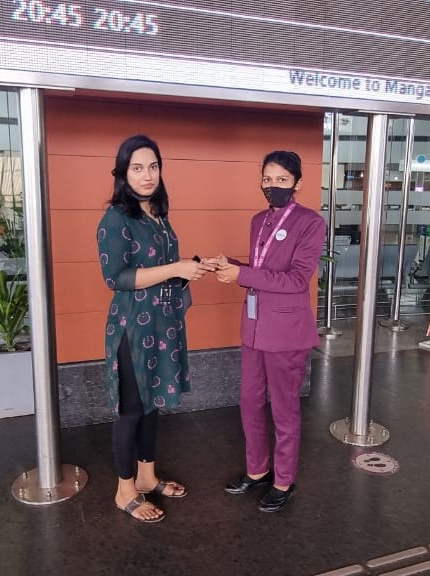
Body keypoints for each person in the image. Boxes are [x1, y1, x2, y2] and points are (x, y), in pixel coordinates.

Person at [96, 134, 214, 523]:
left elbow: (162, 270)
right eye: (137, 168)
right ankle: (124, 489)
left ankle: (147, 476)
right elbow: (116, 277)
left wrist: (191, 268)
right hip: (132, 327)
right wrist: (176, 268)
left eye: (153, 167)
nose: (147, 175)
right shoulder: (116, 218)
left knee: (152, 405)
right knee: (131, 409)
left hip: (162, 325)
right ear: (123, 173)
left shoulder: (157, 215)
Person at [212, 150, 326, 513]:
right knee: (249, 402)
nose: (272, 186)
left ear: (297, 183)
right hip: (254, 327)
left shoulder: (310, 222)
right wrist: (231, 265)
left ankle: (283, 480)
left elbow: (296, 280)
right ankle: (258, 470)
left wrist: (242, 274)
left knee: (284, 409)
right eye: (267, 179)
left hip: (287, 332)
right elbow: (262, 269)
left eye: (281, 180)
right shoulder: (258, 220)